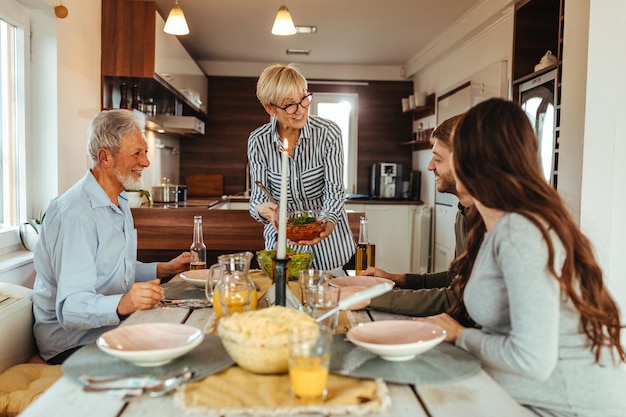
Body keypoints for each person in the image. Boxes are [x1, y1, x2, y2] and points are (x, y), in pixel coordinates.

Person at [418, 98, 626, 416]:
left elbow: (530, 359)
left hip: (568, 407)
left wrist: (460, 335)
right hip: (524, 395)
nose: (437, 165)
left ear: (473, 159)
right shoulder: (495, 224)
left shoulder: (520, 231)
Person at [32, 109, 190, 364]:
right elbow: (71, 309)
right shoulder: (76, 215)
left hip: (107, 328)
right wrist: (124, 303)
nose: (146, 162)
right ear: (104, 157)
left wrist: (164, 268)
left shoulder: (118, 199)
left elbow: (111, 269)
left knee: (187, 334)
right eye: (136, 153)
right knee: (177, 353)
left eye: (145, 152)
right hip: (72, 344)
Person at [248, 63, 355, 275]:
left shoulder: (328, 133)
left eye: (304, 99)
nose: (301, 110)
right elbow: (258, 199)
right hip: (283, 248)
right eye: (289, 105)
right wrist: (262, 209)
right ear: (270, 108)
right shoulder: (258, 141)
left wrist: (328, 222)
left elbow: (334, 191)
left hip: (330, 246)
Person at [361, 114, 471, 316]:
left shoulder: (490, 221)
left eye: (438, 158)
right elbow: (455, 277)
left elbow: (456, 297)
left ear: (464, 162)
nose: (429, 166)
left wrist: (366, 297)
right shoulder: (463, 212)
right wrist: (397, 278)